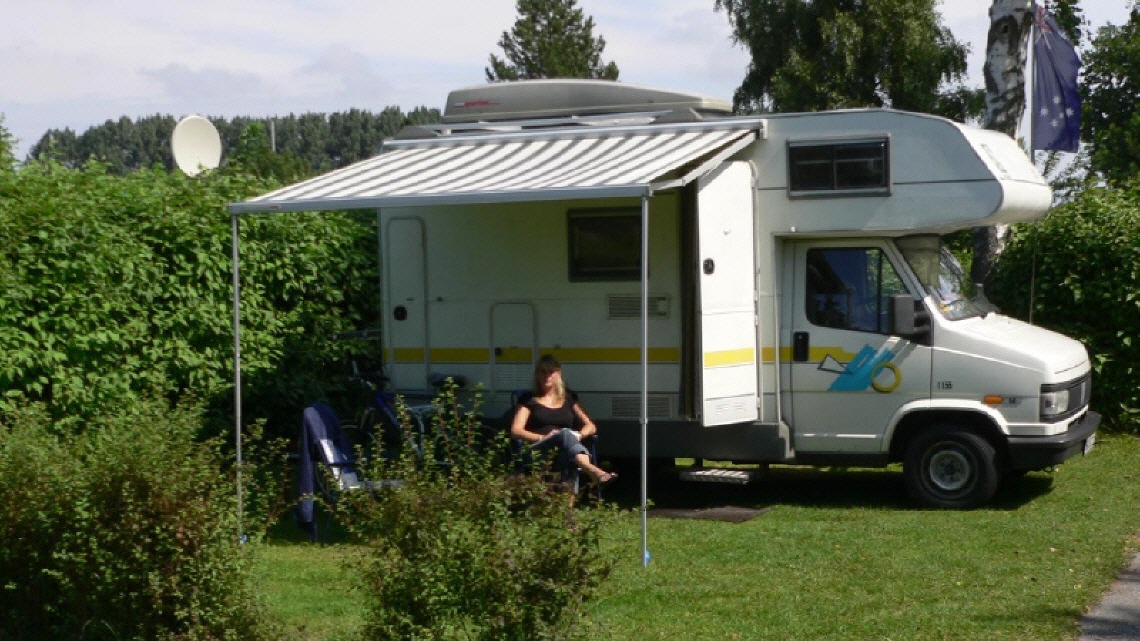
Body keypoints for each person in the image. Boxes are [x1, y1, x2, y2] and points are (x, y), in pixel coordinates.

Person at [510, 354, 617, 487]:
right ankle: (593, 470)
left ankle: (566, 505)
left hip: (564, 449)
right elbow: (516, 430)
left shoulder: (568, 398)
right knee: (565, 434)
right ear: (537, 374)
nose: (547, 376)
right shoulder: (529, 399)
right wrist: (543, 437)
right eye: (543, 371)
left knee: (568, 450)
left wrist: (579, 434)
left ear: (558, 374)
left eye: (551, 372)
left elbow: (591, 426)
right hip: (539, 449)